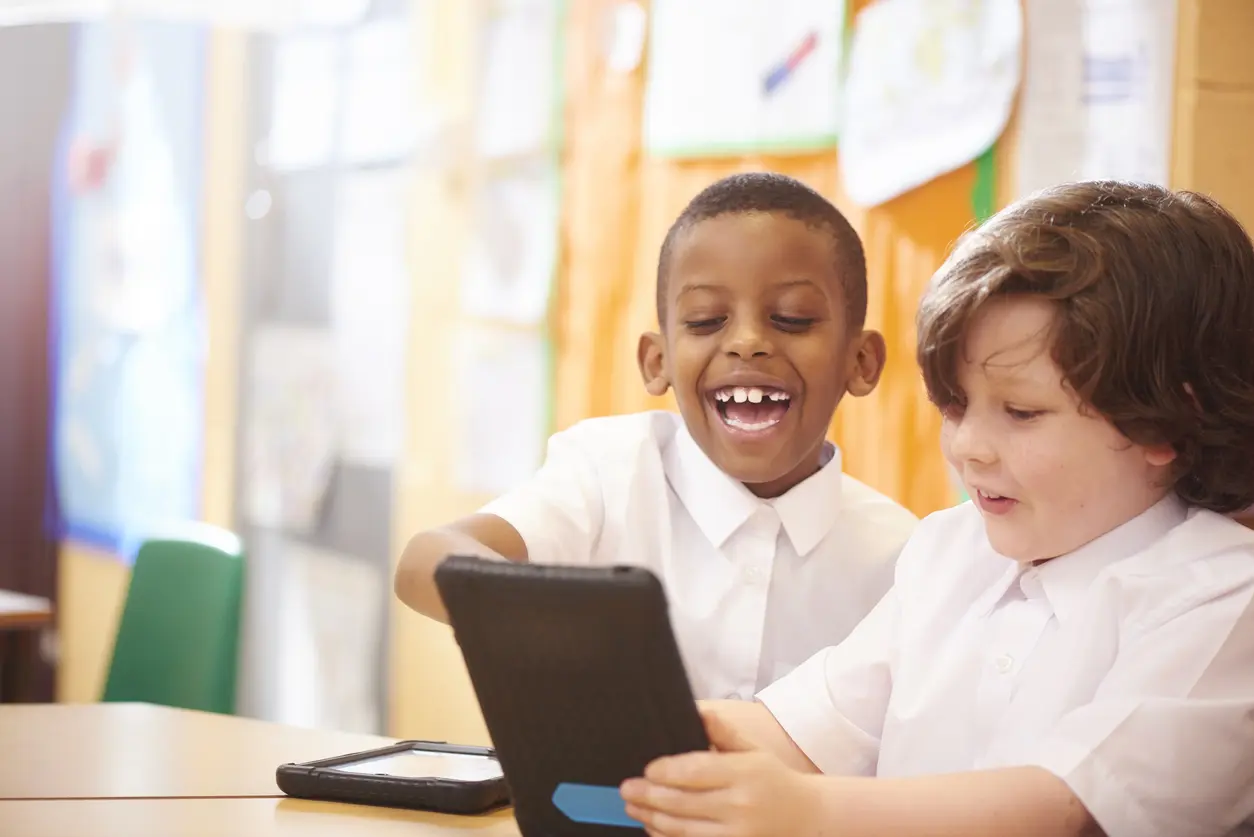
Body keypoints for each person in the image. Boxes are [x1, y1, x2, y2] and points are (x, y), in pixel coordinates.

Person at [620, 180, 1254, 837]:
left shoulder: (1221, 596)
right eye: (955, 405)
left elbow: (1063, 808)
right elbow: (802, 730)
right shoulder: (950, 551)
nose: (968, 447)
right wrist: (639, 734)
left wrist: (808, 811)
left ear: (1166, 424)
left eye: (1020, 412)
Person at [394, 172, 917, 700]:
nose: (747, 342)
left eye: (792, 319)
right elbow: (425, 560)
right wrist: (561, 629)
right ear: (656, 360)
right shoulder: (607, 474)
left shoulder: (904, 557)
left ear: (861, 361)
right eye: (707, 320)